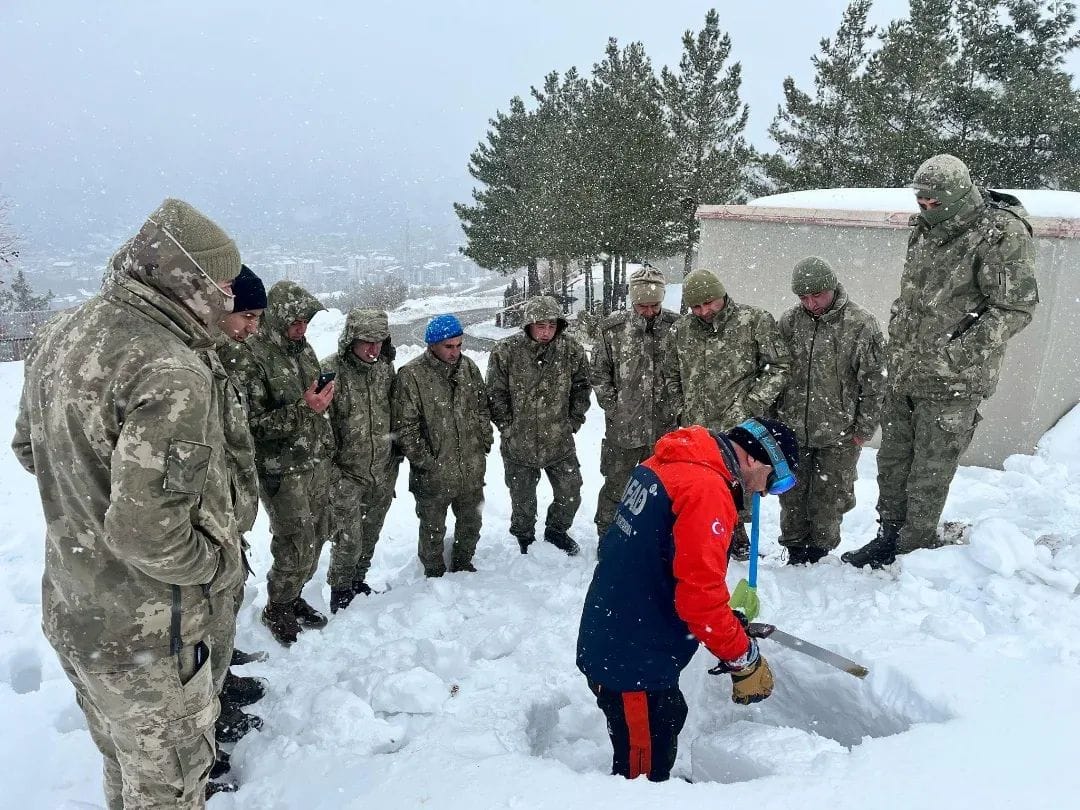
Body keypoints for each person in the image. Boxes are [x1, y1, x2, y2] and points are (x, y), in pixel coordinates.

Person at [12, 198, 244, 808]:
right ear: (187, 281)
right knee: (167, 785)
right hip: (148, 634)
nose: (227, 299)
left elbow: (28, 448)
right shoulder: (171, 369)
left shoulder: (64, 332)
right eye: (221, 286)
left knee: (126, 767)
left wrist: (84, 500)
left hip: (77, 610)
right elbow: (149, 536)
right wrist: (217, 566)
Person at [843, 154, 1039, 569]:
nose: (927, 210)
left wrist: (955, 355)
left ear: (959, 194)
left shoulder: (1000, 231)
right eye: (922, 202)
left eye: (935, 203)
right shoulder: (923, 229)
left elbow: (1015, 307)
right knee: (893, 463)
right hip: (906, 373)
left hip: (953, 382)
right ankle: (888, 537)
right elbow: (916, 298)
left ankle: (914, 553)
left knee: (930, 472)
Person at [576, 418, 799, 782]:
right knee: (642, 768)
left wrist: (724, 625)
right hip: (634, 659)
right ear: (758, 460)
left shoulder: (670, 463)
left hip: (619, 629)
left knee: (665, 719)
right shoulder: (707, 489)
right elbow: (700, 600)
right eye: (776, 481)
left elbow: (666, 563)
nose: (765, 493)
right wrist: (742, 658)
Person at [226, 280, 336, 644]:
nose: (302, 328)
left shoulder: (302, 350)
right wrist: (306, 408)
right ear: (276, 318)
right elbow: (251, 427)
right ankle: (278, 606)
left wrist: (317, 410)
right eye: (295, 321)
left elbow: (312, 405)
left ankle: (294, 595)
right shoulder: (251, 356)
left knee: (318, 535)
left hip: (315, 460)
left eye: (306, 321)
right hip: (282, 470)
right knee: (294, 541)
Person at [662, 268, 791, 559]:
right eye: (696, 306)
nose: (704, 311)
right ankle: (706, 535)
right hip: (698, 429)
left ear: (721, 294)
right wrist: (680, 408)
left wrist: (752, 404)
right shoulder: (681, 330)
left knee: (739, 483)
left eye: (709, 303)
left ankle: (736, 534)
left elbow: (779, 366)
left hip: (739, 426)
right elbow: (671, 374)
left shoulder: (753, 321)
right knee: (702, 485)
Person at [775, 257, 886, 564]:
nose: (811, 304)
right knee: (792, 494)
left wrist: (864, 428)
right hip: (793, 429)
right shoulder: (789, 322)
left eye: (817, 296)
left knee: (830, 495)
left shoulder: (860, 323)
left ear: (833, 288)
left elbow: (875, 381)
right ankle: (796, 548)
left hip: (839, 432)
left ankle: (821, 550)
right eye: (804, 298)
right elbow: (776, 371)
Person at [210, 264, 269, 771]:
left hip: (226, 515)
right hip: (202, 524)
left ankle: (222, 684)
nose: (253, 328)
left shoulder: (224, 360)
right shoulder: (189, 364)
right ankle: (209, 719)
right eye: (247, 315)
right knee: (197, 629)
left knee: (226, 605)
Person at [487, 295, 591, 555]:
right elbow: (495, 393)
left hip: (559, 440)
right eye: (540, 326)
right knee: (522, 499)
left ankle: (557, 531)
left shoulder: (571, 349)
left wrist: (572, 422)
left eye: (552, 326)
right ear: (528, 325)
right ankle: (524, 536)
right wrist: (507, 426)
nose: (546, 332)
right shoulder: (506, 350)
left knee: (570, 491)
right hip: (518, 442)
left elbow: (581, 388)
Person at [392, 314, 493, 577]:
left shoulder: (469, 368)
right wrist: (428, 461)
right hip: (433, 474)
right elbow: (405, 427)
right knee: (432, 527)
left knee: (471, 521)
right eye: (449, 346)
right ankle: (433, 571)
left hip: (470, 468)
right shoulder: (412, 376)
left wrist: (483, 439)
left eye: (459, 345)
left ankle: (463, 562)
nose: (455, 352)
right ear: (432, 344)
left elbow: (482, 408)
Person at [590, 266, 678, 539]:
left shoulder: (676, 328)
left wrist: (677, 407)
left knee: (665, 489)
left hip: (665, 430)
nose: (649, 311)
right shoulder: (612, 330)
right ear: (632, 301)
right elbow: (598, 373)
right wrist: (615, 407)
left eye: (655, 305)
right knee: (617, 486)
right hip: (624, 429)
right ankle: (607, 536)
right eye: (643, 306)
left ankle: (658, 539)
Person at [324, 308, 400, 609]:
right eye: (366, 341)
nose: (373, 349)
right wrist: (333, 475)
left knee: (370, 533)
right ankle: (340, 590)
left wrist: (393, 458)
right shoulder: (330, 371)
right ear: (350, 340)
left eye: (380, 341)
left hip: (381, 469)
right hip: (345, 473)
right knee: (347, 539)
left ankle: (358, 580)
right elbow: (321, 429)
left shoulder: (385, 369)